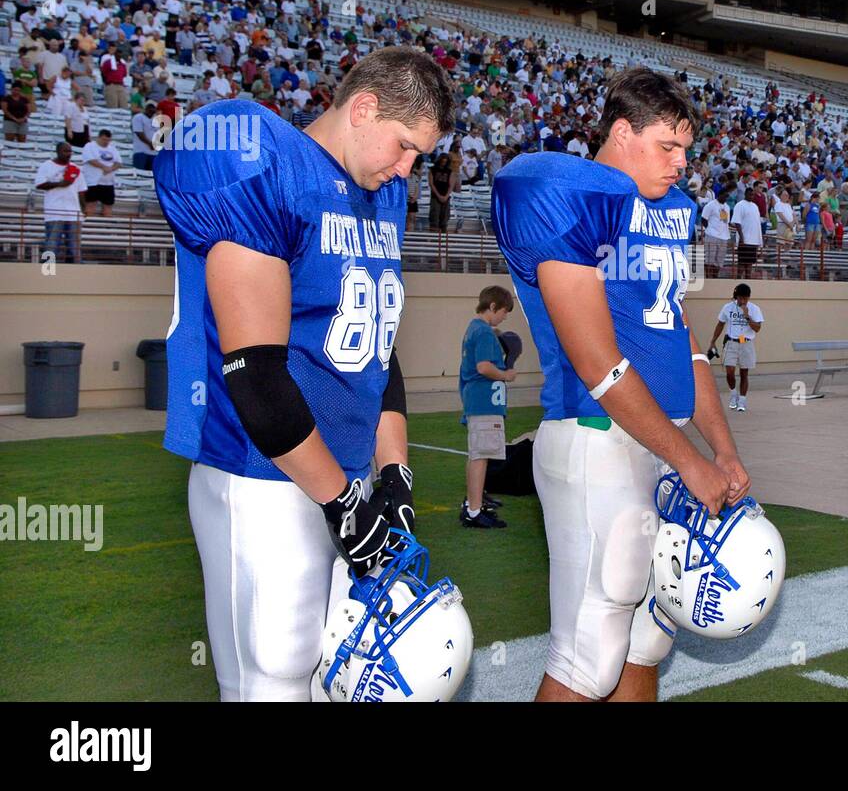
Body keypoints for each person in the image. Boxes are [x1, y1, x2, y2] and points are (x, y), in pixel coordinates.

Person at [151, 47, 455, 701]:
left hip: (342, 478)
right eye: (404, 147)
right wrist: (344, 506)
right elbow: (255, 376)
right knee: (274, 680)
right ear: (364, 109)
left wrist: (393, 474)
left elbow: (374, 349)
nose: (407, 168)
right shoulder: (269, 167)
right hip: (260, 473)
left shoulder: (383, 195)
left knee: (339, 678)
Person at [492, 67, 748, 702]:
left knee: (647, 639)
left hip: (661, 441)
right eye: (667, 146)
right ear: (622, 132)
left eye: (687, 149)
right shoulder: (570, 194)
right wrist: (690, 461)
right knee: (589, 655)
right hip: (595, 435)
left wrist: (723, 448)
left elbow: (681, 339)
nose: (682, 164)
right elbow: (598, 364)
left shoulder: (673, 211)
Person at [459, 285, 517, 529]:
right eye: (504, 311)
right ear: (492, 307)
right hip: (484, 402)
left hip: (480, 401)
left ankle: (474, 500)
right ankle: (474, 511)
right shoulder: (482, 332)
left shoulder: (477, 329)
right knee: (481, 456)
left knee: (478, 454)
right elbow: (483, 367)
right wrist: (506, 375)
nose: (504, 317)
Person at [709, 283, 764, 412]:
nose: (743, 301)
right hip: (731, 342)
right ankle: (733, 394)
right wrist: (713, 341)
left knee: (744, 373)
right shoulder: (727, 307)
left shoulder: (754, 309)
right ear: (736, 296)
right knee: (729, 372)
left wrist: (747, 316)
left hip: (747, 343)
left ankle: (742, 401)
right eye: (741, 298)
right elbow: (720, 324)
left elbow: (757, 328)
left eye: (746, 298)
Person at [34, 141, 86, 264]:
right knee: (52, 244)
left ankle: (74, 272)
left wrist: (83, 209)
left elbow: (81, 191)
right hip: (54, 211)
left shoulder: (75, 169)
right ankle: (47, 270)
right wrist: (59, 184)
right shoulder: (47, 165)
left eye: (70, 151)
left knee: (74, 246)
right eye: (65, 151)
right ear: (58, 151)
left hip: (73, 212)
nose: (68, 154)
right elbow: (40, 184)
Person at [81, 129, 121, 217]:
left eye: (108, 140)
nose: (106, 142)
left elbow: (118, 163)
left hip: (108, 182)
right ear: (98, 138)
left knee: (108, 205)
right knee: (91, 204)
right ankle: (88, 225)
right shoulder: (90, 146)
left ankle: (106, 226)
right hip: (93, 182)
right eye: (104, 139)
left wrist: (111, 169)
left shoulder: (112, 148)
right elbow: (90, 160)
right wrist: (104, 167)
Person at [730, 187, 763, 279]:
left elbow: (757, 225)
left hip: (754, 241)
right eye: (750, 194)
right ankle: (738, 279)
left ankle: (748, 280)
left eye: (753, 195)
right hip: (744, 240)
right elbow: (737, 222)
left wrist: (760, 242)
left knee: (750, 263)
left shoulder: (755, 206)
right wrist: (742, 238)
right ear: (745, 194)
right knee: (742, 262)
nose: (751, 196)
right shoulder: (739, 205)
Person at [700, 190, 730, 278]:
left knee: (719, 260)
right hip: (712, 235)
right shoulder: (711, 205)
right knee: (710, 258)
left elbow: (725, 221)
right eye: (724, 196)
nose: (725, 198)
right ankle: (709, 278)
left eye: (727, 197)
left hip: (724, 236)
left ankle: (715, 277)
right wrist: (709, 229)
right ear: (719, 195)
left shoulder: (727, 207)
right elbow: (703, 219)